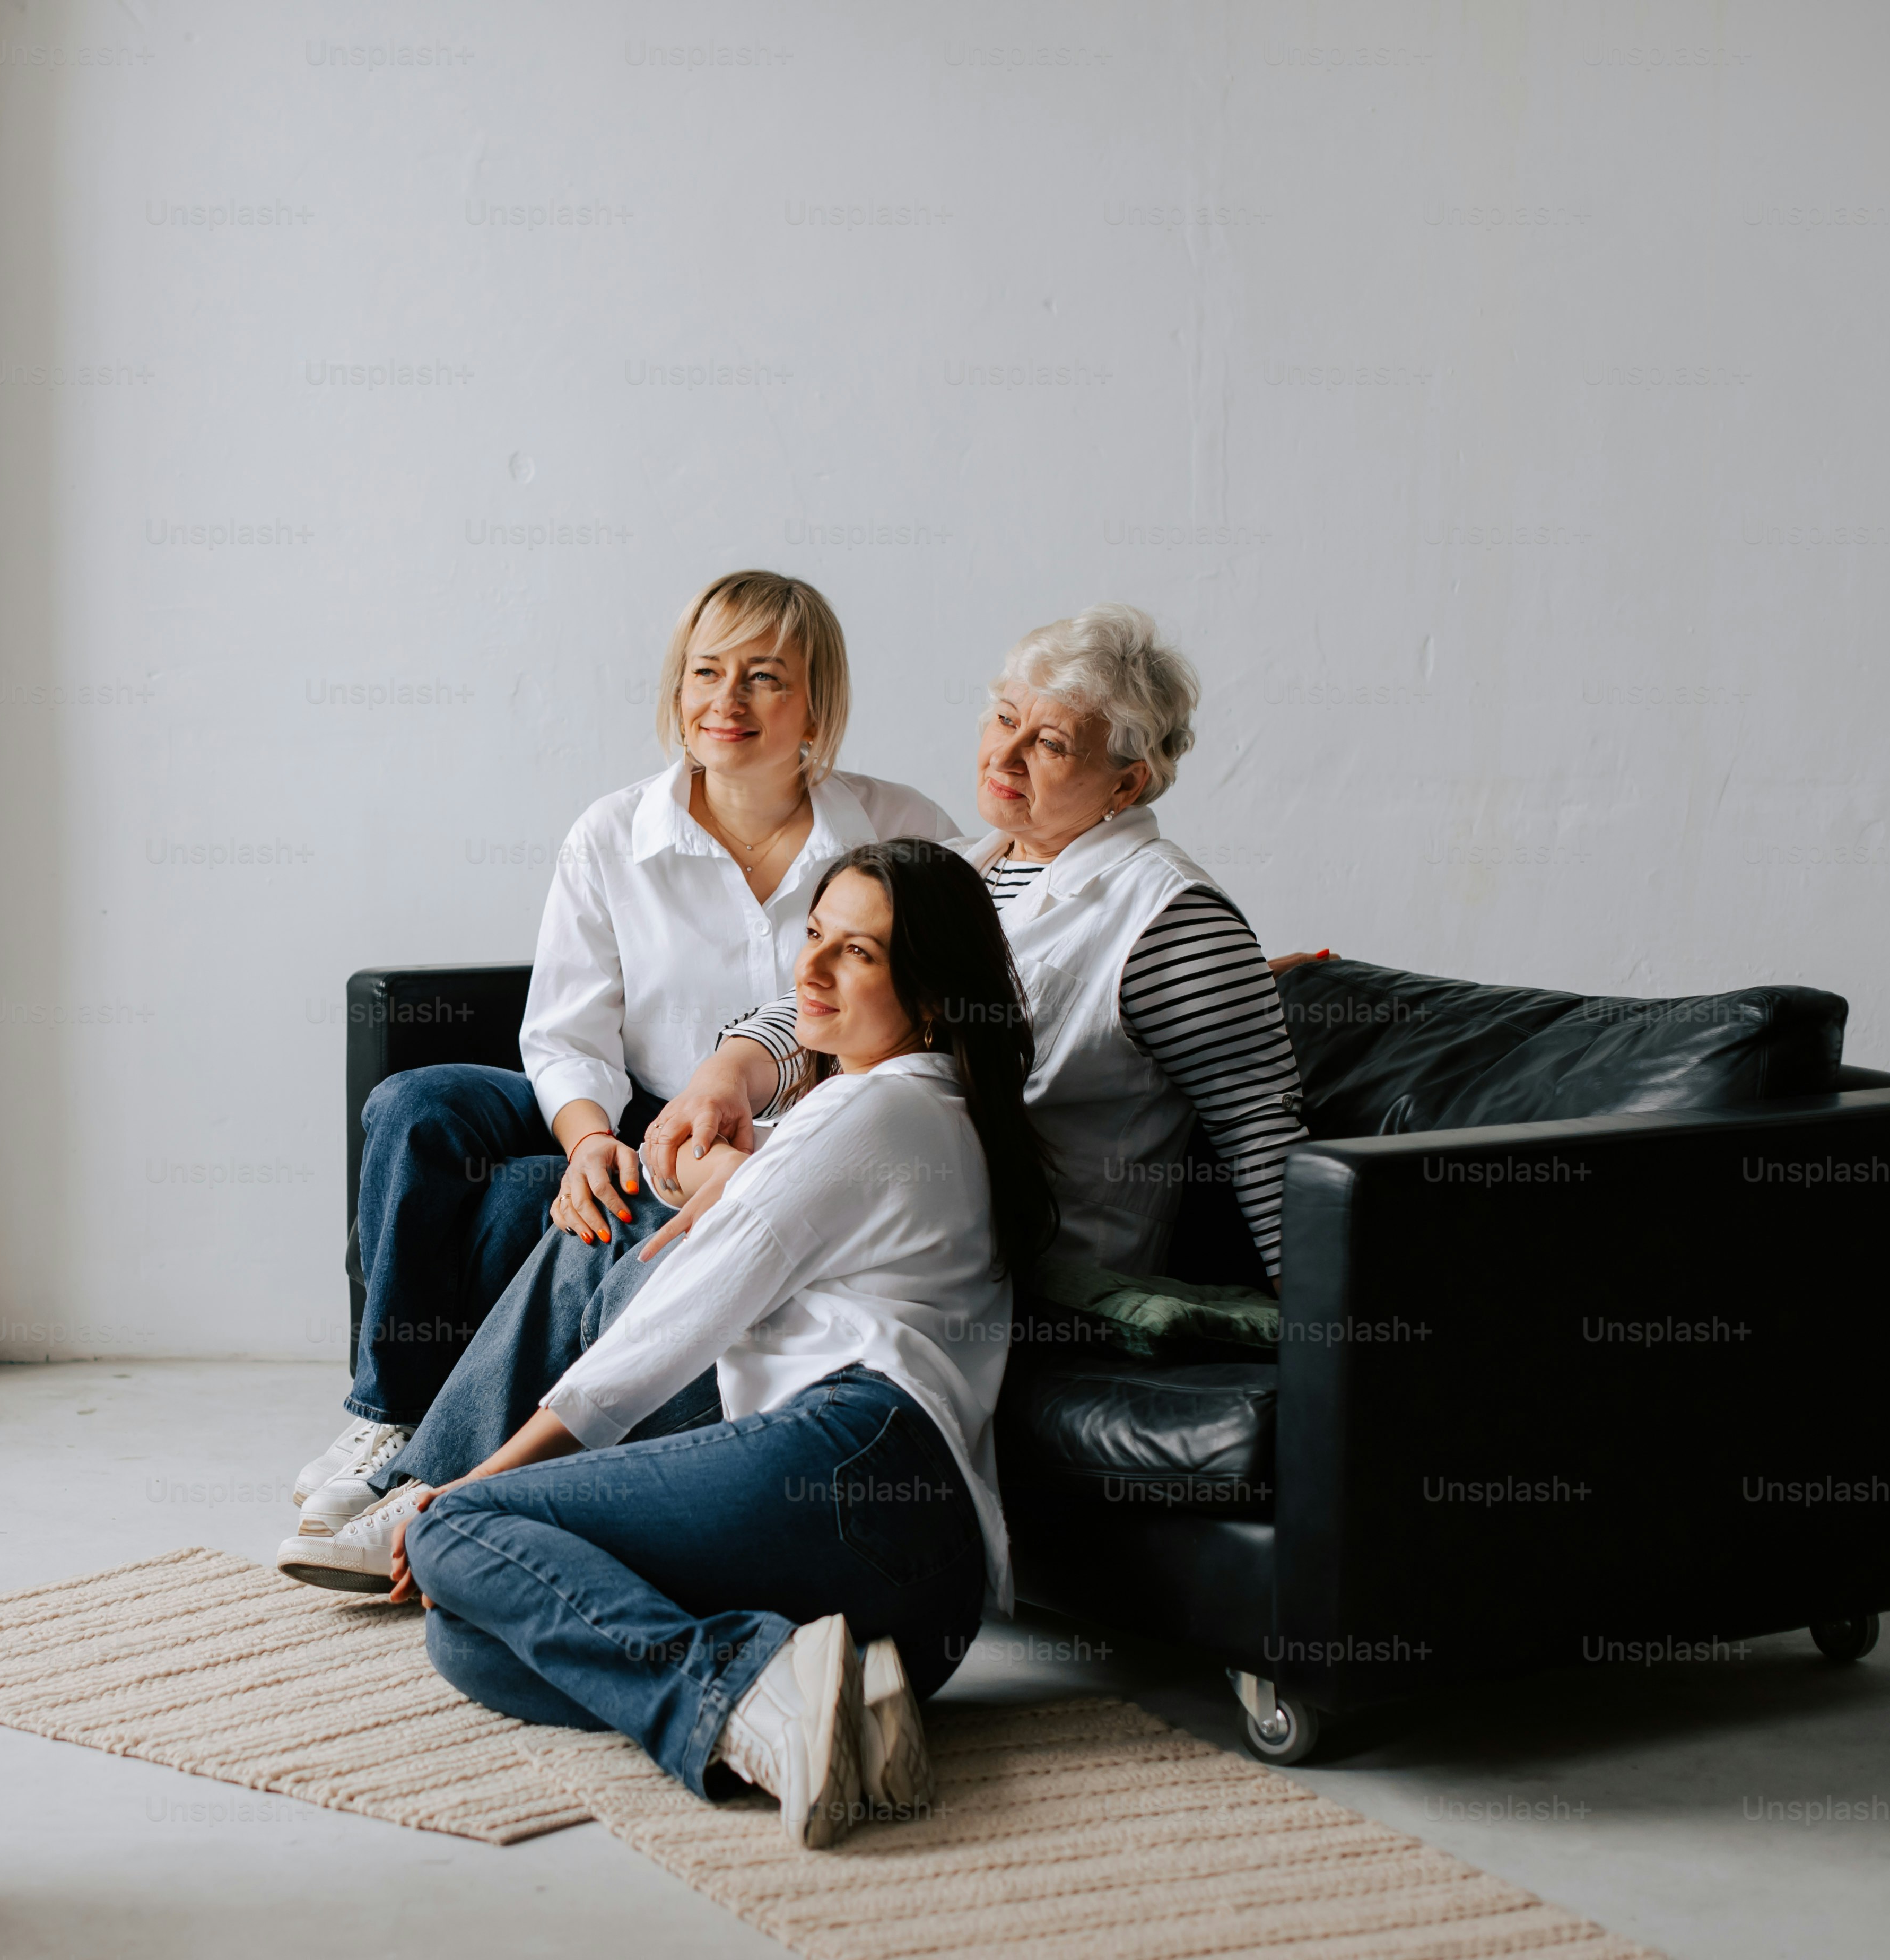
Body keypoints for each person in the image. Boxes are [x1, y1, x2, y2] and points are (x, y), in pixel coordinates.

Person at [276, 604, 1308, 1584]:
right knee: (586, 1202)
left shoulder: (1172, 921)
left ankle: (433, 1495)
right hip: (870, 1189)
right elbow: (825, 998)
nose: (1002, 756)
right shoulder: (976, 860)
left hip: (1003, 1245)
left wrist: (1327, 1336)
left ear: (1128, 785)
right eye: (1002, 718)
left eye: (1050, 745)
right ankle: (437, 1488)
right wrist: (728, 1074)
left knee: (636, 1221)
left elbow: (1270, 1146)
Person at [367, 840, 1052, 1849]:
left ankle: (735, 1702)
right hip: (919, 1597)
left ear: (934, 990)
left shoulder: (872, 1109)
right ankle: (799, 1689)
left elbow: (664, 1330)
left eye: (856, 953)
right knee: (469, 1640)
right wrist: (737, 1168)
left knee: (458, 1537)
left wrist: (473, 1487)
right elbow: (789, 1183)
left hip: (857, 1461)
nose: (810, 971)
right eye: (812, 935)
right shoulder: (933, 1108)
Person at [295, 572, 956, 1526]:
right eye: (705, 672)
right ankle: (388, 1415)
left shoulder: (903, 830)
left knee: (531, 1206)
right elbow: (564, 1032)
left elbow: (949, 990)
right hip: (625, 1102)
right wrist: (586, 1141)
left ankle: (459, 1477)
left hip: (790, 1137)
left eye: (764, 678)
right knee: (416, 1102)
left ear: (817, 703)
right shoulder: (610, 833)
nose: (725, 703)